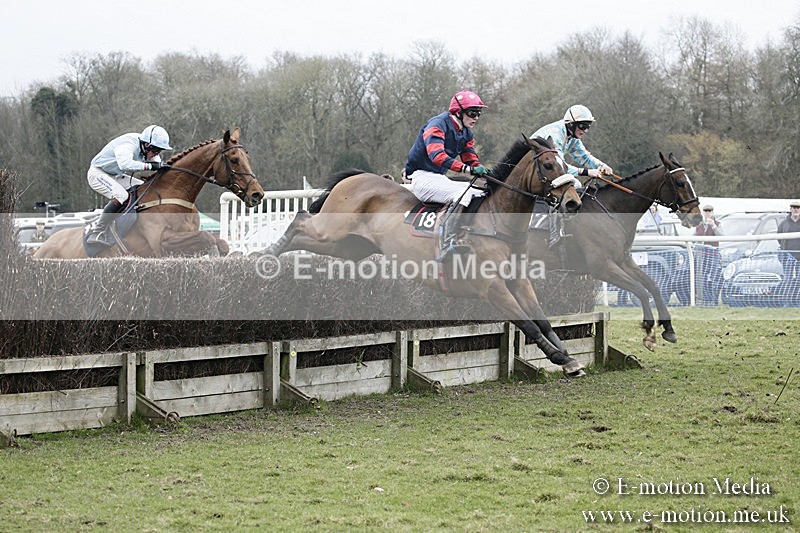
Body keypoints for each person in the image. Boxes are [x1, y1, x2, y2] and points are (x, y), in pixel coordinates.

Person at [405, 90, 489, 260]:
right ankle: (446, 243)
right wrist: (469, 170)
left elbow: (470, 157)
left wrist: (480, 168)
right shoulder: (437, 124)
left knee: (479, 192)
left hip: (438, 178)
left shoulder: (466, 132)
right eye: (472, 113)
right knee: (462, 193)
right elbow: (437, 156)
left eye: (478, 114)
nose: (476, 118)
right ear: (458, 112)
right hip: (421, 177)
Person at [85, 125, 172, 244]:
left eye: (159, 151)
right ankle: (96, 231)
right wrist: (151, 166)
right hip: (97, 173)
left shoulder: (146, 148)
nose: (156, 154)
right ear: (146, 145)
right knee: (122, 196)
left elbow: (157, 163)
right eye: (155, 150)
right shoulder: (128, 144)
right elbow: (124, 164)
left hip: (114, 175)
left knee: (145, 188)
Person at [530, 104, 614, 185]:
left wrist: (601, 165)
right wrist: (586, 172)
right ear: (571, 124)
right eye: (582, 126)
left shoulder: (572, 137)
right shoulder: (556, 135)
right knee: (575, 184)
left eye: (588, 126)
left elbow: (584, 157)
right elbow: (560, 167)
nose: (585, 131)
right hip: (532, 170)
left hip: (545, 170)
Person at [694, 204, 724, 305]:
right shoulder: (699, 224)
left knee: (714, 277)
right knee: (702, 278)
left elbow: (722, 236)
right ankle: (705, 300)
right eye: (705, 211)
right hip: (702, 256)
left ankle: (714, 300)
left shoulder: (718, 223)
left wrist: (713, 226)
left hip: (713, 255)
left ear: (712, 212)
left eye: (709, 211)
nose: (707, 213)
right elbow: (693, 237)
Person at [777, 200, 800, 290]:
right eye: (794, 208)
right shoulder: (784, 223)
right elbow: (779, 238)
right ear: (791, 209)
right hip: (787, 257)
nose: (796, 210)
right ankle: (787, 301)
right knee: (788, 279)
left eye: (798, 208)